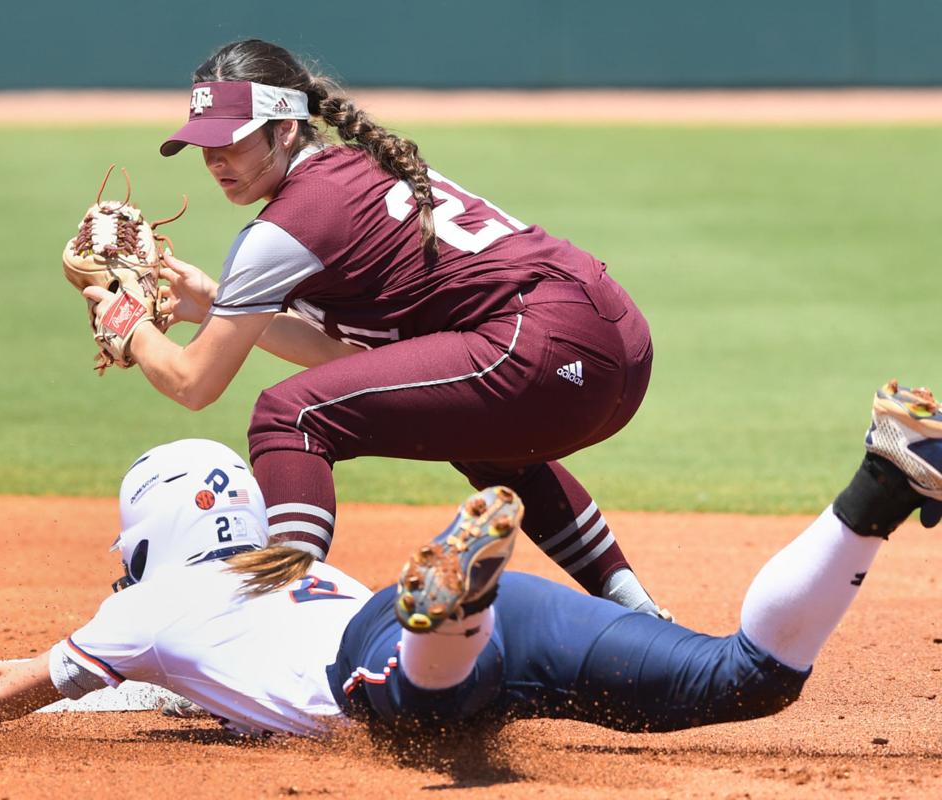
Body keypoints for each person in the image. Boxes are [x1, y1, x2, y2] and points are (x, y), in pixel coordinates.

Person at [0, 381, 942, 736]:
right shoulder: (279, 564)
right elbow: (166, 687)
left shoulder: (145, 608)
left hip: (388, 655)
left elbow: (4, 691)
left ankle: (447, 613)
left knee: (409, 711)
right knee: (743, 678)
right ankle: (879, 484)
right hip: (516, 621)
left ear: (143, 531)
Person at [81, 38, 663, 616]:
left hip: (541, 344)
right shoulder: (353, 173)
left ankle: (277, 627)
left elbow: (193, 383)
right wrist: (214, 308)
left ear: (285, 128)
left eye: (230, 141)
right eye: (203, 145)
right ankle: (637, 612)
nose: (214, 162)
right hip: (611, 345)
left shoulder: (285, 227)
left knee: (291, 416)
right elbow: (348, 364)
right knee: (486, 443)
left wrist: (127, 321)